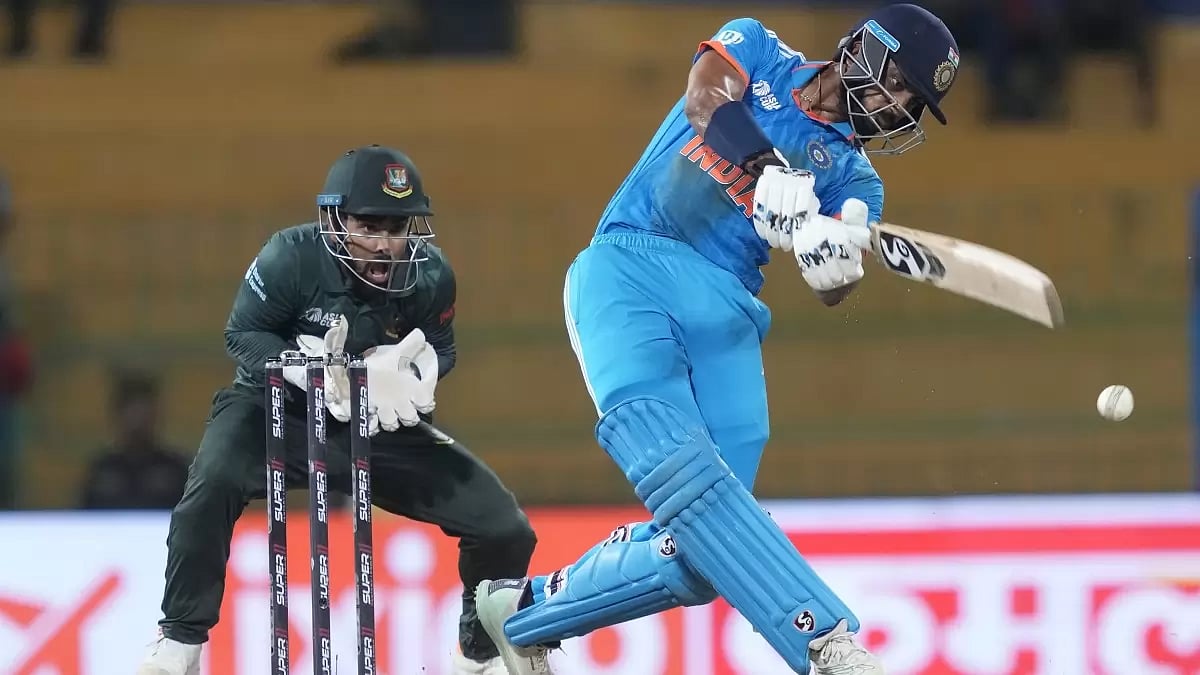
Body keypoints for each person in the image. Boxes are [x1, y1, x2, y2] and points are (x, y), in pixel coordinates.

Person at [473, 4, 960, 674]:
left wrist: (834, 260)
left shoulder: (854, 179)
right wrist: (764, 169)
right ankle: (825, 642)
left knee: (703, 549)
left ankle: (521, 612)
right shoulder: (758, 46)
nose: (901, 107)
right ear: (864, 50)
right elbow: (705, 98)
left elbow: (834, 283)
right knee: (675, 462)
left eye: (915, 102)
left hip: (728, 312)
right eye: (901, 84)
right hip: (632, 265)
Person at [137, 145, 537, 675]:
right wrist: (307, 370)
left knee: (505, 528)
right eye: (370, 225)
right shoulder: (291, 257)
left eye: (398, 227)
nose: (386, 244)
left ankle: (475, 656)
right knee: (211, 481)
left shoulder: (430, 276)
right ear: (336, 220)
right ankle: (180, 641)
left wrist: (420, 373)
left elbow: (441, 345)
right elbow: (242, 334)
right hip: (275, 407)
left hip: (371, 422)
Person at [79, 368, 190, 510]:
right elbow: (84, 520)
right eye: (132, 412)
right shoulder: (101, 471)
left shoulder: (175, 470)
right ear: (117, 414)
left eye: (144, 412)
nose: (139, 421)